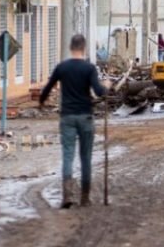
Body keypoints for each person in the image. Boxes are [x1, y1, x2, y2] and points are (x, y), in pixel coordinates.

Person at [40, 34, 111, 208]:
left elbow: (47, 88)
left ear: (71, 48)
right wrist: (106, 86)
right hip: (85, 116)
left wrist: (41, 102)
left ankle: (67, 196)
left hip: (67, 117)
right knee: (86, 158)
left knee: (67, 156)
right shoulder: (89, 68)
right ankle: (85, 198)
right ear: (84, 48)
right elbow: (99, 92)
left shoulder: (62, 68)